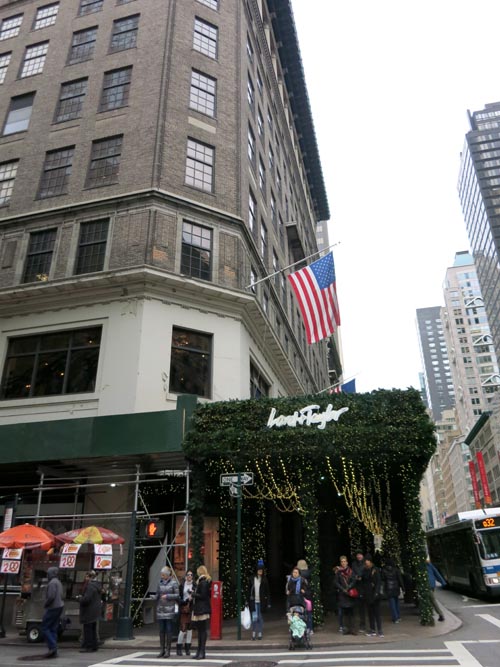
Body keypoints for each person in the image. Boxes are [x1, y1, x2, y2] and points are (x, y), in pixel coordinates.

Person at [155, 565, 179, 658]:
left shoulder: (173, 583)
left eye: (163, 574)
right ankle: (162, 649)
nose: (162, 576)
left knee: (169, 630)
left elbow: (177, 595)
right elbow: (157, 594)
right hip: (161, 609)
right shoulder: (159, 583)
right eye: (161, 574)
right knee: (161, 630)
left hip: (169, 609)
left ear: (167, 575)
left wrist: (168, 596)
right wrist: (154, 597)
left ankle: (168, 650)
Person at [41, 566, 64, 659]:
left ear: (51, 574)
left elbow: (51, 596)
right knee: (53, 628)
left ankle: (53, 647)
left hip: (53, 607)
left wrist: (46, 604)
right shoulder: (58, 582)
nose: (47, 575)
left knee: (45, 627)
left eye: (48, 573)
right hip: (60, 606)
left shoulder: (52, 583)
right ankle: (53, 649)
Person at [247, 559, 271, 640]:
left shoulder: (264, 579)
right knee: (254, 618)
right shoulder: (251, 579)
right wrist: (247, 601)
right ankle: (254, 633)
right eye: (259, 570)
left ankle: (259, 633)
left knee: (259, 617)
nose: (260, 571)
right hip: (253, 601)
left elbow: (267, 592)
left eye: (261, 570)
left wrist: (268, 602)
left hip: (261, 601)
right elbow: (248, 590)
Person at [78, 570, 101, 653]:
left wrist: (80, 599)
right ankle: (94, 645)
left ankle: (89, 646)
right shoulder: (97, 585)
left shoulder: (90, 586)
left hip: (89, 610)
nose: (85, 578)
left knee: (88, 629)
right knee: (93, 629)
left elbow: (87, 599)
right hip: (95, 610)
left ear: (90, 577)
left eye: (87, 576)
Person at [192, 565, 212, 660]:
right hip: (201, 608)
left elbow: (203, 596)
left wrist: (193, 594)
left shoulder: (203, 582)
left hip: (202, 609)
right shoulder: (203, 581)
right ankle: (199, 651)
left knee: (202, 631)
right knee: (200, 631)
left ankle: (201, 652)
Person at [361, 555, 384, 637]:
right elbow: (364, 579)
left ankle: (380, 630)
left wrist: (377, 592)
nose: (366, 562)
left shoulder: (375, 569)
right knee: (370, 613)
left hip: (374, 593)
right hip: (368, 593)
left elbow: (378, 581)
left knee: (377, 613)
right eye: (365, 561)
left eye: (367, 560)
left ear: (370, 561)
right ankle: (372, 629)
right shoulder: (364, 570)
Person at [334, 555, 357, 635]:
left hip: (350, 593)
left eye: (344, 561)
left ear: (347, 562)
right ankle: (346, 629)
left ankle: (352, 628)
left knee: (351, 612)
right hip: (342, 594)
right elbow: (336, 582)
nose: (343, 563)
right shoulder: (338, 572)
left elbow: (354, 581)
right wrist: (342, 589)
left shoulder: (351, 571)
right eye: (342, 562)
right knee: (345, 612)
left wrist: (348, 587)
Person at [381, 557, 405, 623]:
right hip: (396, 587)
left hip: (388, 588)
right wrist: (403, 588)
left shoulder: (384, 570)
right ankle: (398, 616)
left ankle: (395, 618)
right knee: (397, 603)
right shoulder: (396, 570)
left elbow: (383, 579)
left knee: (392, 604)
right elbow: (400, 579)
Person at [176, 569, 194, 655]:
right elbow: (178, 598)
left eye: (191, 575)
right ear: (186, 576)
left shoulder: (195, 585)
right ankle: (179, 647)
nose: (189, 576)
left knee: (190, 629)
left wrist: (193, 596)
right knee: (183, 629)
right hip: (184, 609)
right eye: (188, 575)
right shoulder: (182, 585)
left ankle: (187, 648)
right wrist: (185, 601)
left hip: (192, 609)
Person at [351, 549, 366, 634]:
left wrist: (361, 577)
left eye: (360, 554)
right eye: (358, 555)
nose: (359, 556)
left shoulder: (365, 563)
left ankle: (363, 624)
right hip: (357, 586)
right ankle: (358, 625)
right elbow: (352, 574)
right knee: (357, 607)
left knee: (363, 607)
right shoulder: (354, 564)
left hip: (364, 587)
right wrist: (355, 577)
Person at [296, 559, 313, 633]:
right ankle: (310, 628)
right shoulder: (309, 573)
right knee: (309, 612)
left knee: (299, 611)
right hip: (308, 594)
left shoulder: (298, 574)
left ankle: (302, 628)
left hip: (300, 595)